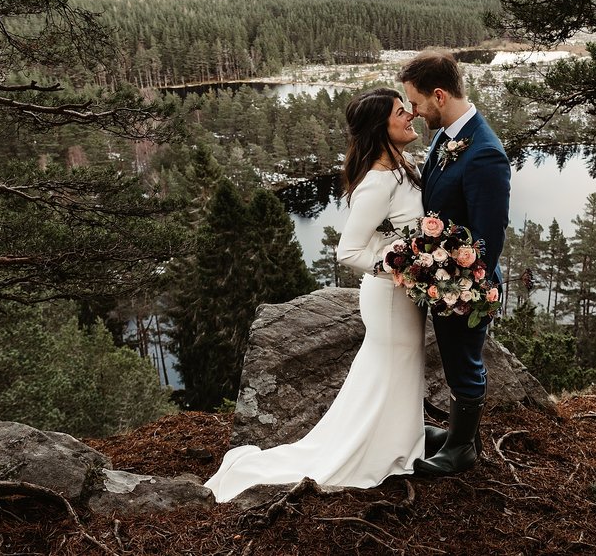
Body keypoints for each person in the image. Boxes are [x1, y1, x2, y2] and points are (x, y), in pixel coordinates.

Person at [204, 87, 427, 502]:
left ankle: (398, 447)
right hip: (392, 297)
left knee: (394, 371)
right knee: (392, 368)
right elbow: (349, 251)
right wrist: (405, 269)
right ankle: (374, 454)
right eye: (401, 112)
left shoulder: (403, 165)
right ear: (382, 126)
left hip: (402, 294)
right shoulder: (378, 181)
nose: (410, 115)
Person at [398, 50, 512, 476]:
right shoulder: (448, 136)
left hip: (465, 285)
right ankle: (456, 434)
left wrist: (450, 280)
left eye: (416, 101)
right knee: (451, 356)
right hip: (443, 277)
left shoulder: (484, 152)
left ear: (440, 95)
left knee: (464, 362)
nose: (413, 111)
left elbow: (488, 239)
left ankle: (463, 448)